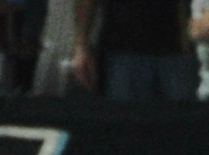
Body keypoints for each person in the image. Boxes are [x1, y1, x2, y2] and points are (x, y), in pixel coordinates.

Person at [70, 0, 198, 101]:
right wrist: (81, 44)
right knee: (125, 126)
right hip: (121, 51)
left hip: (178, 50)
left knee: (181, 127)